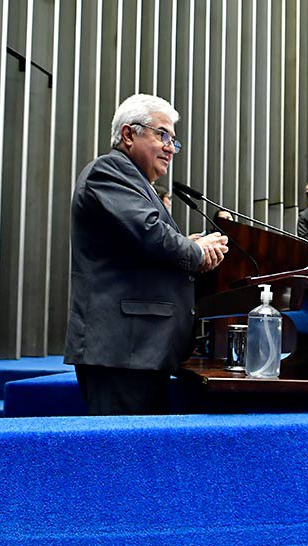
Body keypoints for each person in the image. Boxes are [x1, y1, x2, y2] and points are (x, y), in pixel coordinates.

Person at [64, 93, 229, 415]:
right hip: (121, 350)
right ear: (128, 134)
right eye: (162, 134)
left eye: (173, 140)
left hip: (137, 350)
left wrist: (188, 243)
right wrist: (195, 250)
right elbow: (151, 233)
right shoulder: (109, 171)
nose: (170, 147)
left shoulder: (136, 182)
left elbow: (141, 243)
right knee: (121, 456)